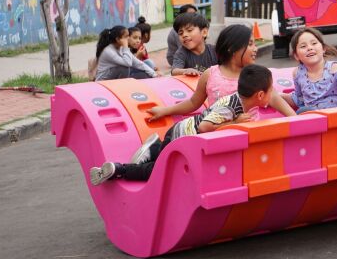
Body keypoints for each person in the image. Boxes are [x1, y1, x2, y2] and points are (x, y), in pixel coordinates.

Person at [89, 64, 274, 185]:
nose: (273, 93)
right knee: (156, 173)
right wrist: (234, 123)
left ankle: (154, 149)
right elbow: (204, 127)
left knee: (160, 164)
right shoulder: (232, 107)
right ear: (259, 95)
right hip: (180, 137)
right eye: (271, 90)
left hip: (182, 135)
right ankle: (117, 169)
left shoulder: (242, 103)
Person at [148, 24, 295, 120]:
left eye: (255, 44)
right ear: (232, 48)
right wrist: (165, 111)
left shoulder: (256, 76)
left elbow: (274, 99)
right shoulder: (210, 74)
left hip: (248, 135)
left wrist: (298, 120)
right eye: (250, 44)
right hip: (217, 134)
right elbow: (193, 103)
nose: (255, 48)